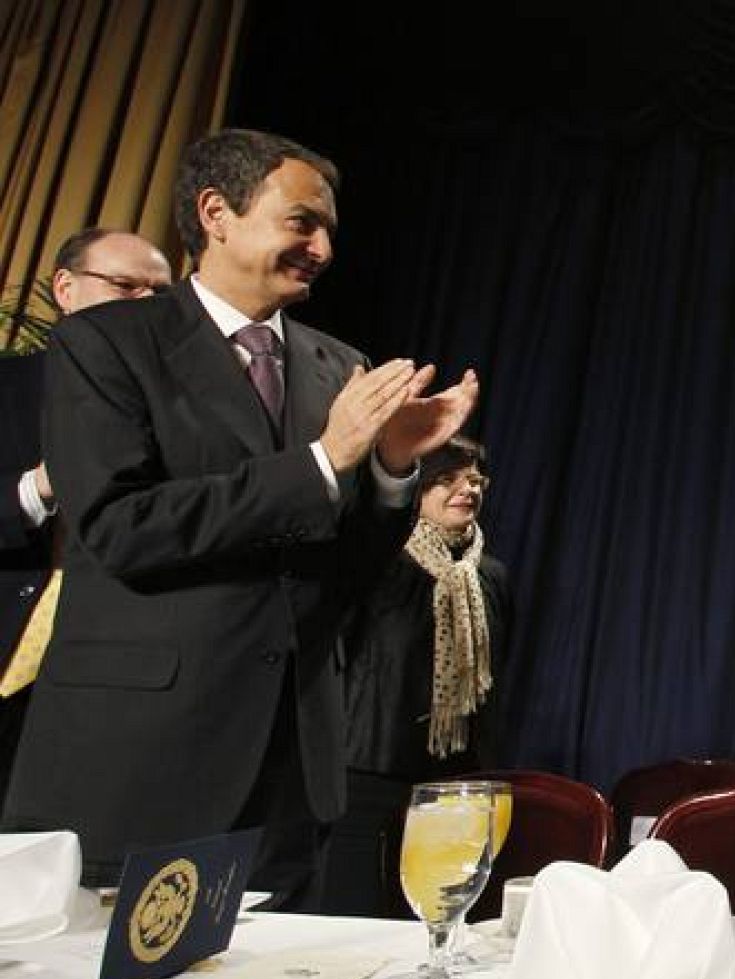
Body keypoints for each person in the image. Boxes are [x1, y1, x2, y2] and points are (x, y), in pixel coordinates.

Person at [1, 129, 479, 909]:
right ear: (216, 212)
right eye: (301, 222)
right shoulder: (106, 343)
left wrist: (393, 466)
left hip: (290, 780)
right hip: (139, 764)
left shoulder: (338, 365)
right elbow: (123, 525)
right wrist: (323, 461)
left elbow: (342, 573)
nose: (323, 247)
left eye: (329, 230)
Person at [0, 229, 173, 801]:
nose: (146, 306)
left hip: (106, 685)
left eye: (161, 295)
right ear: (66, 290)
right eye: (126, 286)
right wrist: (43, 486)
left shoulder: (185, 416)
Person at [322, 434, 513, 917]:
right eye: (447, 479)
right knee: (356, 912)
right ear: (418, 487)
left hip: (455, 774)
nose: (466, 489)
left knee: (441, 913)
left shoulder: (489, 574)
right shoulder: (378, 560)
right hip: (369, 763)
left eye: (474, 479)